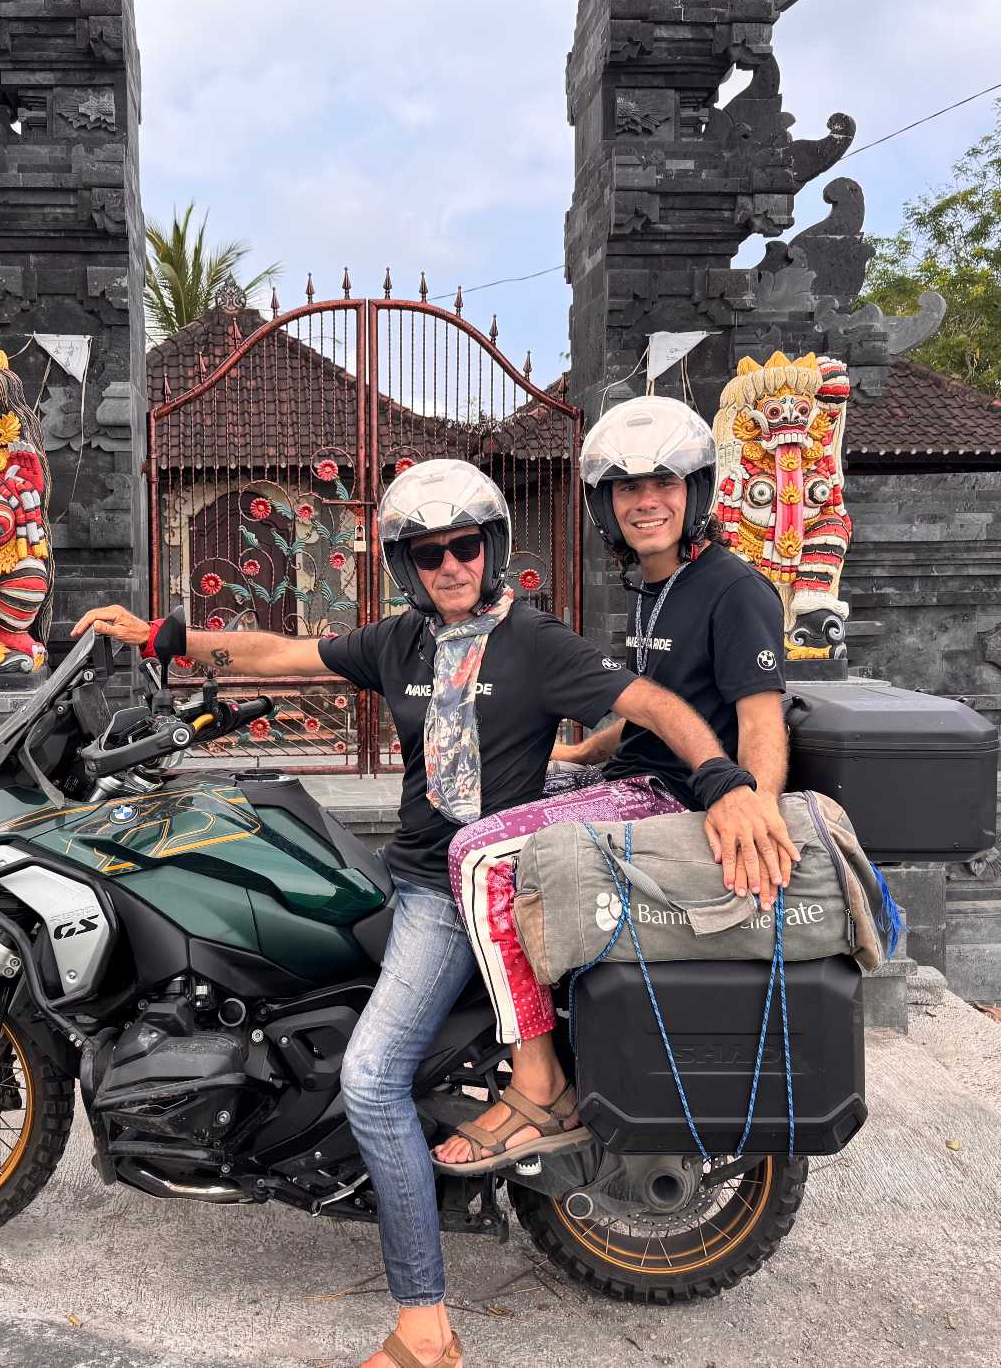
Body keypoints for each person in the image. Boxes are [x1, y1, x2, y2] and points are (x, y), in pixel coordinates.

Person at [72, 456, 795, 1368]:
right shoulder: (400, 643)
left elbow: (655, 703)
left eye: (463, 547)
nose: (449, 566)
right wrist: (162, 635)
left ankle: (425, 1326)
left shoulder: (534, 641)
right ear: (403, 565)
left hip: (456, 894)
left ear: (491, 549)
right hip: (409, 868)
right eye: (427, 553)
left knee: (372, 1079)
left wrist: (728, 783)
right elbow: (281, 654)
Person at [433, 398, 796, 1176]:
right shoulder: (653, 584)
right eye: (627, 487)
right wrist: (579, 754)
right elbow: (654, 708)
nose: (645, 502)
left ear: (695, 492)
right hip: (634, 777)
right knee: (485, 798)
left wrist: (753, 804)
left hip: (672, 800)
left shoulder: (733, 589)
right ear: (605, 503)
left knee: (476, 856)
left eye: (663, 482)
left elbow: (760, 717)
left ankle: (538, 1084)